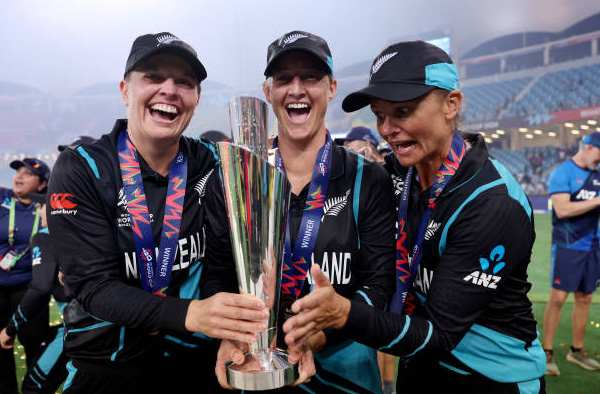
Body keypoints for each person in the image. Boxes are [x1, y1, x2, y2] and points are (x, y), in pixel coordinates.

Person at [283, 40, 546, 393]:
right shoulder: (400, 172)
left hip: (490, 376)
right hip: (418, 362)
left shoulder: (491, 201)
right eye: (380, 114)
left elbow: (440, 335)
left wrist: (343, 314)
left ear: (451, 105)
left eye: (403, 111)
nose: (388, 129)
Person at [47, 32, 270, 394]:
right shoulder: (82, 167)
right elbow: (94, 285)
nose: (169, 89)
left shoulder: (213, 162)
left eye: (184, 82)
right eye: (153, 76)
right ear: (125, 90)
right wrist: (193, 314)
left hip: (198, 359)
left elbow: (221, 262)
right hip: (107, 365)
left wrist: (229, 328)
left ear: (196, 99)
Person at [216, 30, 396, 394]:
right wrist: (230, 335)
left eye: (310, 77)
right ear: (268, 93)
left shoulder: (368, 178)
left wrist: (318, 334)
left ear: (331, 88)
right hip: (255, 369)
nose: (296, 89)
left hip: (347, 375)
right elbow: (219, 271)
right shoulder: (241, 178)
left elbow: (380, 284)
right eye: (284, 79)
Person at [542, 132, 600, 375]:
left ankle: (576, 351)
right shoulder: (562, 172)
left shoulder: (597, 174)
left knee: (585, 297)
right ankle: (546, 353)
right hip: (568, 243)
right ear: (586, 147)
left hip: (593, 245)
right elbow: (563, 209)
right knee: (557, 298)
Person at [0, 191, 69, 394]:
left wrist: (10, 329)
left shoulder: (45, 235)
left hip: (78, 326)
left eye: (43, 205)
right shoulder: (88, 230)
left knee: (33, 387)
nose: (40, 211)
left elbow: (40, 287)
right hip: (114, 323)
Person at [0, 158, 51, 394]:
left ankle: (33, 389)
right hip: (0, 288)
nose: (19, 176)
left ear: (42, 184)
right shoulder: (3, 200)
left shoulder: (48, 209)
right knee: (1, 346)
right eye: (17, 172)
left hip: (30, 289)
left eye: (28, 173)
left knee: (34, 346)